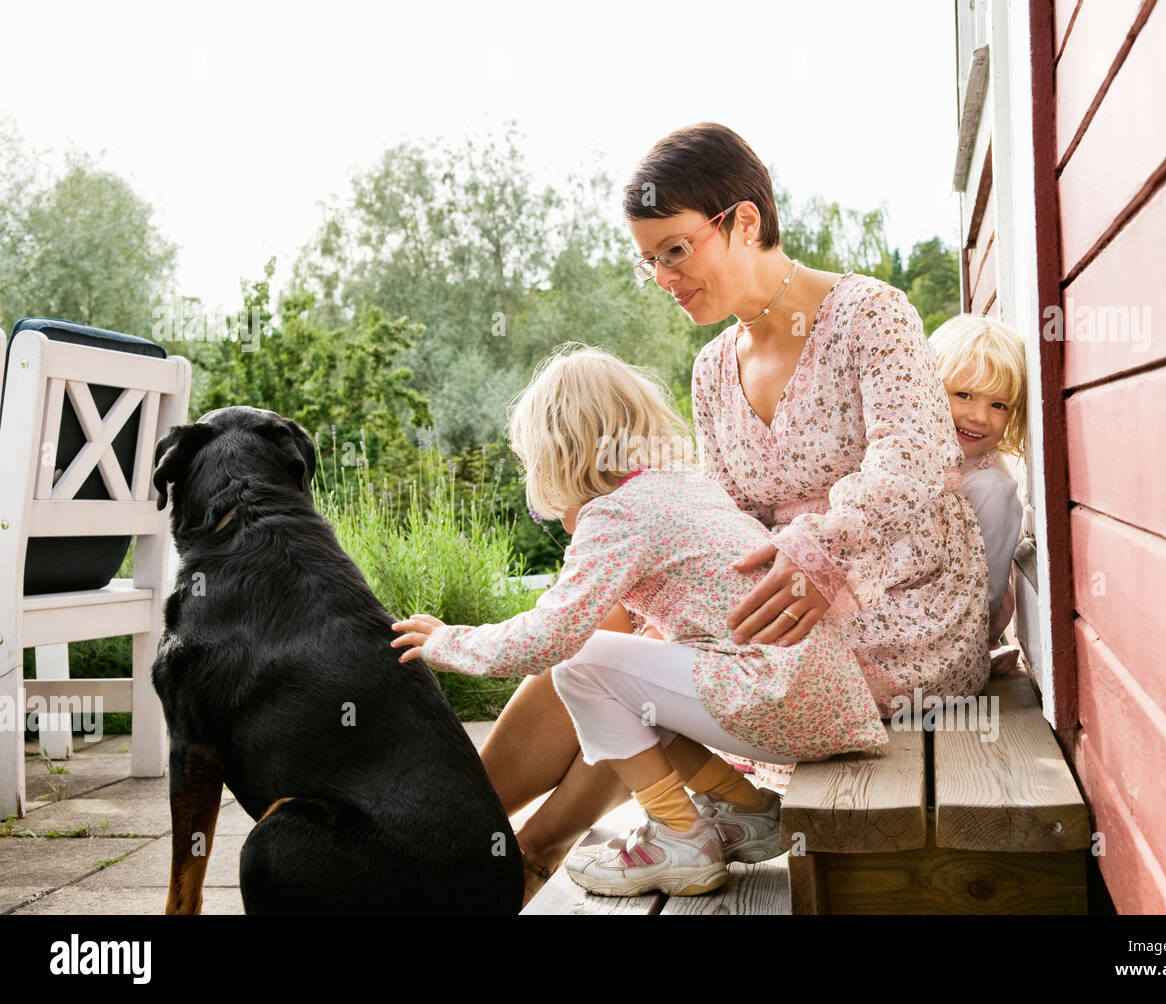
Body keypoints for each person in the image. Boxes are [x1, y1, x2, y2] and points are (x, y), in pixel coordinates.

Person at [465, 122, 989, 901]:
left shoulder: (870, 313)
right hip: (777, 604)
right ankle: (467, 829)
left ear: (743, 221)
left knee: (614, 659)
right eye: (649, 261)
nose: (663, 276)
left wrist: (819, 551)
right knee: (605, 627)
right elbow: (724, 516)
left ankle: (514, 852)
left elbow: (915, 459)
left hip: (900, 606)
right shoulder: (713, 368)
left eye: (675, 249)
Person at [392, 345, 887, 897]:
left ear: (557, 451)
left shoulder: (617, 512)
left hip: (778, 698)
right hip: (819, 700)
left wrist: (449, 642)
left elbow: (550, 638)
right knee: (630, 689)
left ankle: (680, 837)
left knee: (582, 665)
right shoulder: (688, 488)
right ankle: (745, 807)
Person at [929, 313, 1027, 673]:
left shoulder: (988, 487)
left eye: (998, 404)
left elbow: (988, 589)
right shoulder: (923, 458)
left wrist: (969, 645)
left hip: (954, 628)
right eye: (964, 395)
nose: (980, 416)